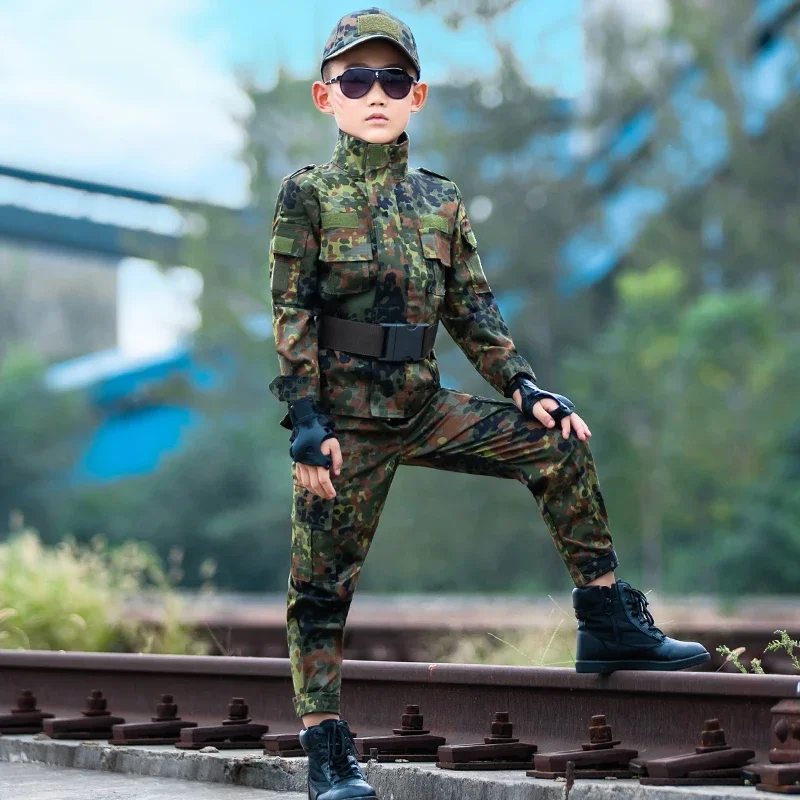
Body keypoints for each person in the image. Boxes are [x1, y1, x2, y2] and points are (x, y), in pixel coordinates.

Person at [267, 8, 710, 799]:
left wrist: (525, 387)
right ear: (324, 96)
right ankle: (328, 750)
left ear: (418, 96)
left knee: (562, 443)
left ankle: (606, 621)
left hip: (424, 405)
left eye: (393, 80)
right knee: (320, 591)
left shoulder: (440, 200)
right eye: (357, 80)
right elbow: (292, 314)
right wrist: (304, 421)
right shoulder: (307, 197)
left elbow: (473, 309)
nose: (376, 93)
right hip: (345, 426)